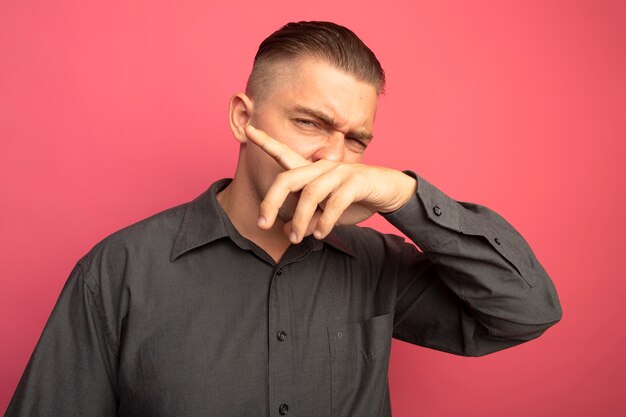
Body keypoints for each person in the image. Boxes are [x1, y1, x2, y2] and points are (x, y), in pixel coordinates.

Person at [5, 21, 562, 417]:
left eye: (356, 140)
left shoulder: (376, 263)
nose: (333, 157)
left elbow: (525, 312)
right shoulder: (118, 271)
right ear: (243, 119)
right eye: (311, 123)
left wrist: (405, 197)